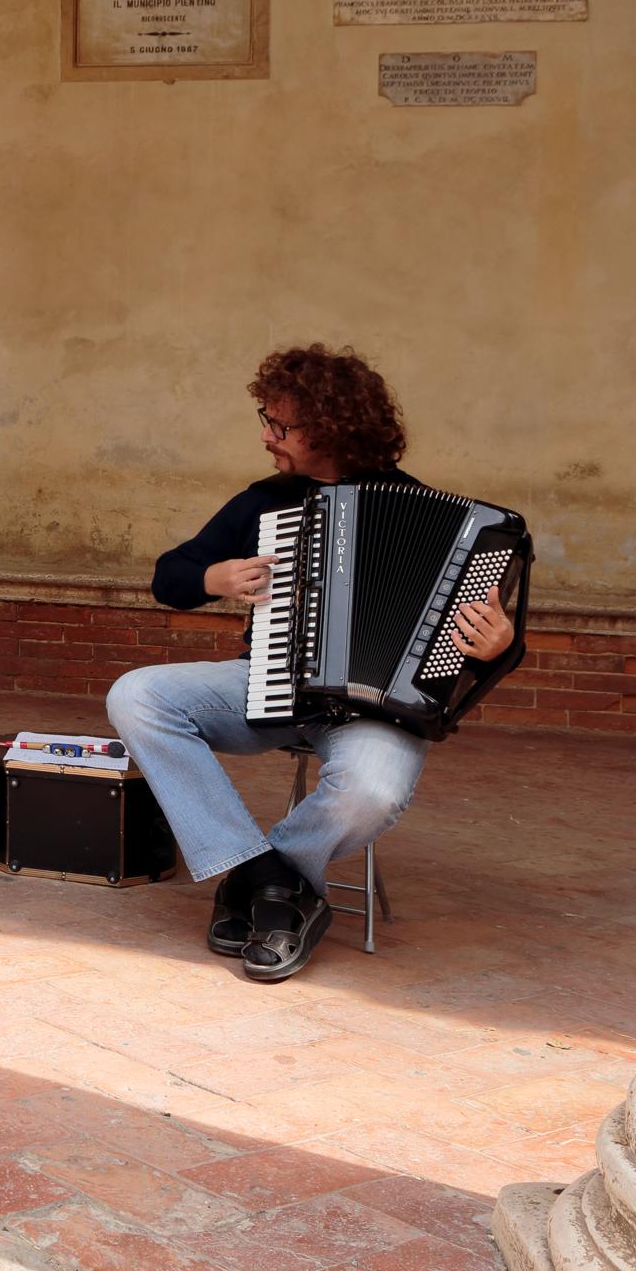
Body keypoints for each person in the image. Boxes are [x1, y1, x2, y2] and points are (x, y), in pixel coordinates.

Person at [106, 344, 520, 982]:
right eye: (266, 421)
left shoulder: (443, 521)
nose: (268, 437)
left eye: (281, 425)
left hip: (378, 713)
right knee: (137, 696)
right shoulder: (263, 501)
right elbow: (171, 575)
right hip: (267, 682)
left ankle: (267, 885)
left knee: (372, 792)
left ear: (330, 429)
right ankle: (261, 876)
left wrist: (499, 648)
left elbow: (471, 662)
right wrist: (212, 577)